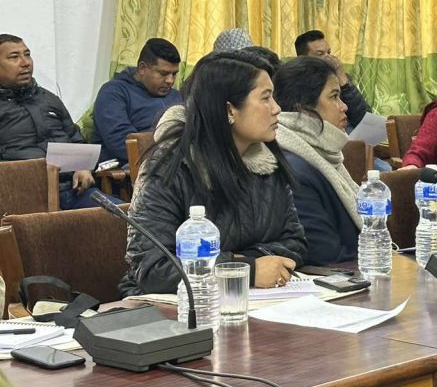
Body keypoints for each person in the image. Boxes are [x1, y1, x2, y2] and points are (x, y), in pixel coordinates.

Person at [120, 50, 306, 296]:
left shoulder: (267, 163)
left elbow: (295, 242)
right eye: (265, 98)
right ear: (229, 110)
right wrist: (246, 268)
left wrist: (244, 262)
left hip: (253, 298)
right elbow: (153, 269)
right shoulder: (169, 168)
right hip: (175, 305)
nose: (277, 108)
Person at [0, 33, 113, 210]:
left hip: (74, 191)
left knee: (127, 217)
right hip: (22, 198)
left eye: (27, 55)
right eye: (14, 57)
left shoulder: (48, 99)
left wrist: (83, 166)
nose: (25, 63)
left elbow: (77, 140)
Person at [272, 57, 361, 266]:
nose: (344, 107)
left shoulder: (322, 153)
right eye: (334, 97)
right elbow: (325, 255)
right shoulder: (294, 169)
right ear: (304, 107)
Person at [93, 37, 182, 163]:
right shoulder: (114, 93)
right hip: (130, 168)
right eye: (163, 74)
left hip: (174, 165)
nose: (170, 81)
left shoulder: (178, 97)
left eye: (174, 74)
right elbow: (122, 143)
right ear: (142, 68)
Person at [293, 29, 371, 130]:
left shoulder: (339, 78)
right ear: (303, 59)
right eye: (320, 54)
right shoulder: (296, 84)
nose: (328, 58)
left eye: (329, 52)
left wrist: (343, 80)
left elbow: (366, 120)